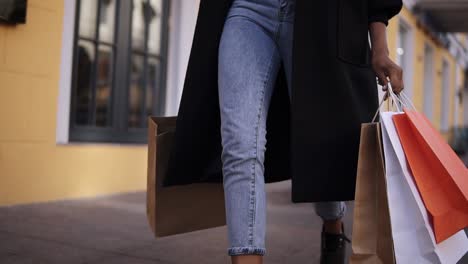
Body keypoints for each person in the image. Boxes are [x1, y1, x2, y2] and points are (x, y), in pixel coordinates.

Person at [168, 0, 403, 263]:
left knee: (322, 144)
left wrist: (379, 48)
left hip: (320, 24)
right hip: (247, 11)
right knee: (239, 144)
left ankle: (333, 226)